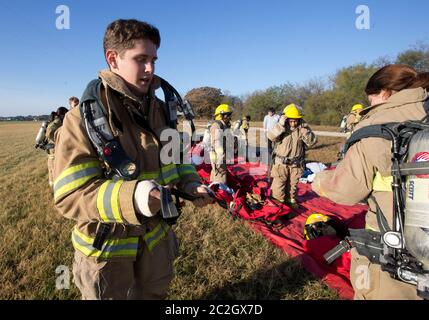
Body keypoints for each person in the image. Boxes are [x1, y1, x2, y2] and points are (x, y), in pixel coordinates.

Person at [53, 19, 212, 300]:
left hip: (156, 247)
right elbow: (70, 195)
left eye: (153, 60)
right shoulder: (80, 121)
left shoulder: (162, 112)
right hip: (109, 254)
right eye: (141, 59)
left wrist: (190, 183)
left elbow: (175, 158)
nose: (150, 69)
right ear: (113, 59)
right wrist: (134, 197)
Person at [312, 65, 429, 300]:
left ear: (384, 92)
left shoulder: (377, 126)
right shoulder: (423, 113)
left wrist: (317, 180)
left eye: (371, 98)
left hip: (394, 253)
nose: (371, 105)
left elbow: (346, 191)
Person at [267, 103, 316, 208]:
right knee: (278, 188)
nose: (293, 123)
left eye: (296, 120)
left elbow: (312, 142)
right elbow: (270, 136)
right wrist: (280, 125)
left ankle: (290, 204)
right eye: (291, 120)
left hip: (296, 165)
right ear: (286, 118)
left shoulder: (302, 129)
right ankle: (277, 207)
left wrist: (305, 131)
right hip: (281, 165)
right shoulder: (281, 128)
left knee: (292, 188)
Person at [209, 104, 234, 184]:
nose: (229, 117)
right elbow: (216, 142)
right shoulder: (217, 125)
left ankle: (216, 188)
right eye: (228, 115)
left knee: (220, 174)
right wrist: (220, 156)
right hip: (217, 155)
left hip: (221, 154)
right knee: (220, 175)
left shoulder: (223, 125)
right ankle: (218, 191)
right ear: (221, 115)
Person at [45, 107, 68, 188]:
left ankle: (53, 187)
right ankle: (55, 189)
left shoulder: (54, 122)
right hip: (54, 152)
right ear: (63, 115)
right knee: (55, 170)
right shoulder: (57, 123)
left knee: (52, 170)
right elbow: (51, 135)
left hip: (51, 152)